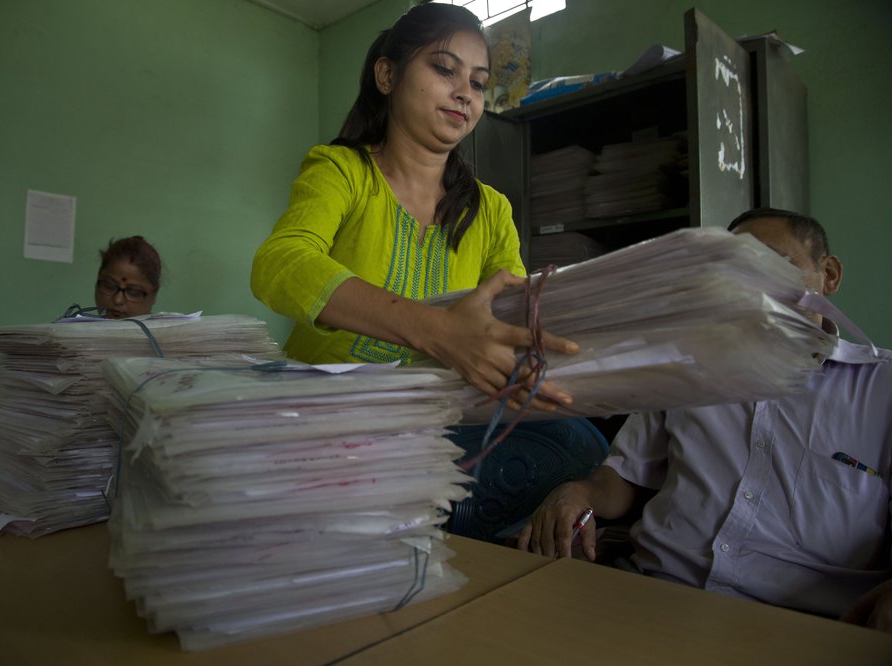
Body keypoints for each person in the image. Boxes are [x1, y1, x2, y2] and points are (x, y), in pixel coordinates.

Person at [517, 207, 892, 632]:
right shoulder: (688, 369)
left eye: (775, 265)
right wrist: (579, 492)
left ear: (829, 275)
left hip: (802, 628)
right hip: (651, 593)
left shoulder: (882, 390)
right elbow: (623, 479)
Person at [251, 3, 575, 410]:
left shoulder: (490, 209)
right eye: (444, 69)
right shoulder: (342, 170)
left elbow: (512, 315)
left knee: (576, 440)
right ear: (388, 75)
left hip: (437, 417)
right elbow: (281, 263)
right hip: (327, 410)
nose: (464, 94)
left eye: (478, 83)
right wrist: (437, 330)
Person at [94, 236, 162, 319]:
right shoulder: (78, 329)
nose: (118, 300)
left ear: (154, 295)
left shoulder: (172, 332)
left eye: (134, 292)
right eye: (109, 286)